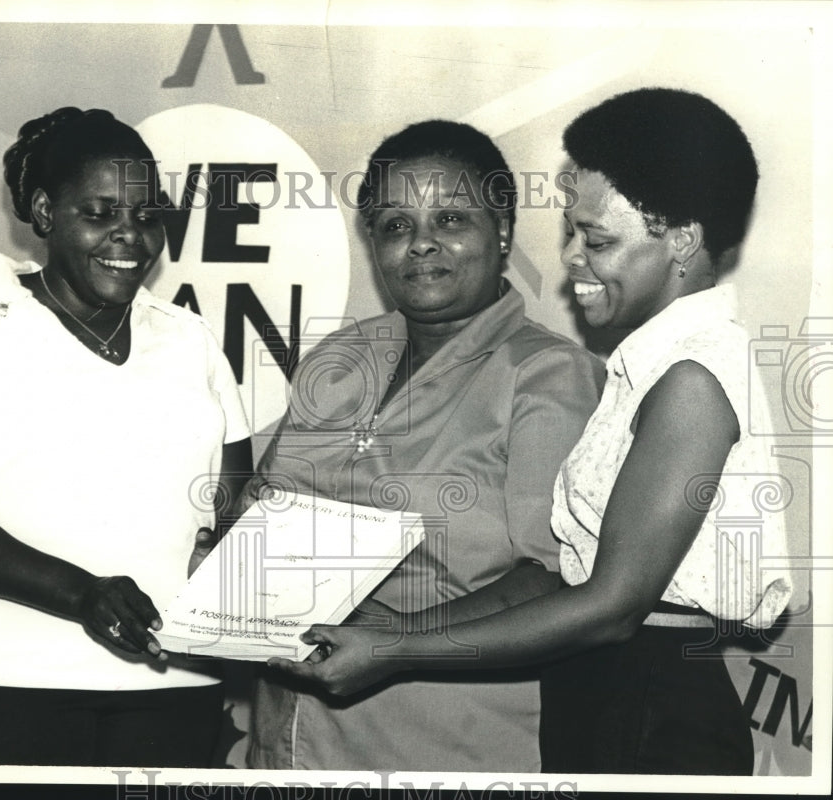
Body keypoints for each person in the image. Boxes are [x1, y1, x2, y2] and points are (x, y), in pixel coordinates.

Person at [268, 89, 794, 775]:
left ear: (682, 240)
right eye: (572, 233)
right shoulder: (649, 365)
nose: (571, 257)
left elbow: (607, 604)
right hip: (602, 697)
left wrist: (395, 644)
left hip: (648, 706)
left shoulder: (689, 376)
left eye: (596, 239)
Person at [0, 107, 252, 766]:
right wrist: (83, 594)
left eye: (146, 216)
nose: (129, 237)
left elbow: (234, 497)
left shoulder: (189, 338)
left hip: (170, 690)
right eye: (101, 214)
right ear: (46, 213)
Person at [237, 120, 605, 771]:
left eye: (452, 219)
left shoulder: (548, 376)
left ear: (502, 233)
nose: (422, 245)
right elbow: (262, 520)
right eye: (396, 225)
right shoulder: (343, 356)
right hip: (286, 743)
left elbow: (554, 580)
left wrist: (395, 642)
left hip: (445, 749)